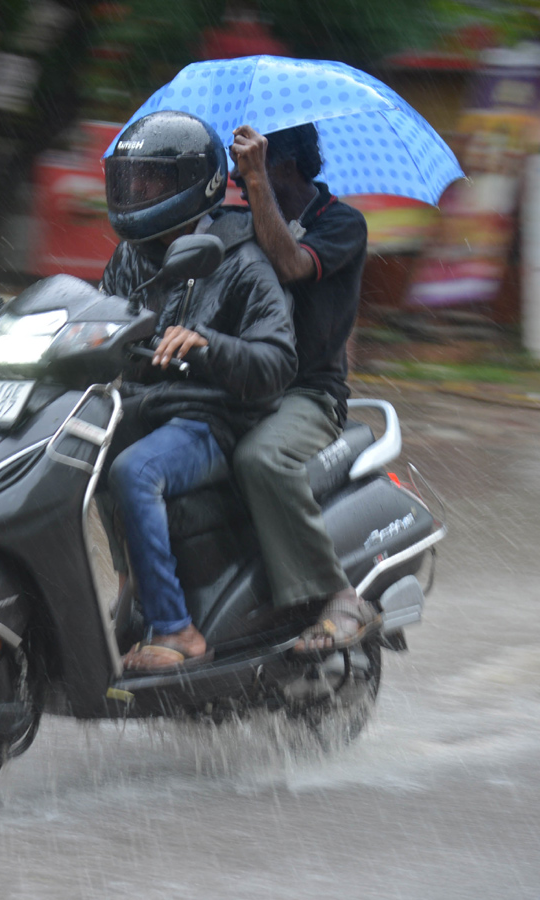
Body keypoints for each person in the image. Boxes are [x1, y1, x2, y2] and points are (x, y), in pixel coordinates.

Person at [99, 111, 296, 672]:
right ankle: (131, 589)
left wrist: (207, 344)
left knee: (134, 472)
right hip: (144, 413)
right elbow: (92, 325)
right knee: (81, 451)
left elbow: (277, 362)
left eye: (153, 182)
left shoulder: (241, 258)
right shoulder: (129, 260)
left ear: (195, 184)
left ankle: (175, 628)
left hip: (209, 421)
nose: (137, 193)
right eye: (131, 180)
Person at [227, 122, 376, 654]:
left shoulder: (342, 224)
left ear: (283, 165)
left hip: (308, 394)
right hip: (245, 382)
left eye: (251, 172)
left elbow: (291, 264)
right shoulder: (245, 221)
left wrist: (257, 184)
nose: (240, 185)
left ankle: (338, 595)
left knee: (261, 459)